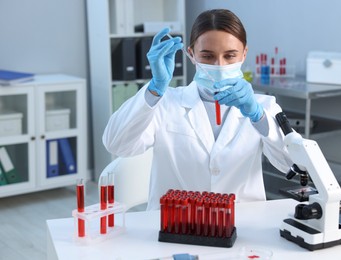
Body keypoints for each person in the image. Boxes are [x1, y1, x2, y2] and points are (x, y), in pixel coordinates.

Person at [103, 9, 293, 210]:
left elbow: (291, 165)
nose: (219, 65)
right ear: (191, 54)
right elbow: (116, 143)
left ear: (244, 53)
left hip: (243, 225)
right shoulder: (165, 103)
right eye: (208, 56)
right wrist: (154, 89)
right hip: (176, 226)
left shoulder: (264, 106)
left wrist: (258, 116)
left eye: (230, 56)